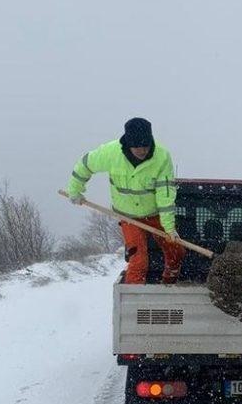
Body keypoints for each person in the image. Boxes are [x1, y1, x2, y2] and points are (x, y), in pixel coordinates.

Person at [66, 117, 185, 285]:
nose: (142, 151)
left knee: (176, 251)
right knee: (139, 261)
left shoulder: (162, 157)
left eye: (146, 146)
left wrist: (169, 228)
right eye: (137, 147)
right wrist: (75, 190)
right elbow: (84, 165)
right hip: (129, 217)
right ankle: (135, 299)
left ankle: (169, 284)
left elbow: (165, 195)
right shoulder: (111, 153)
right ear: (128, 144)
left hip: (155, 213)